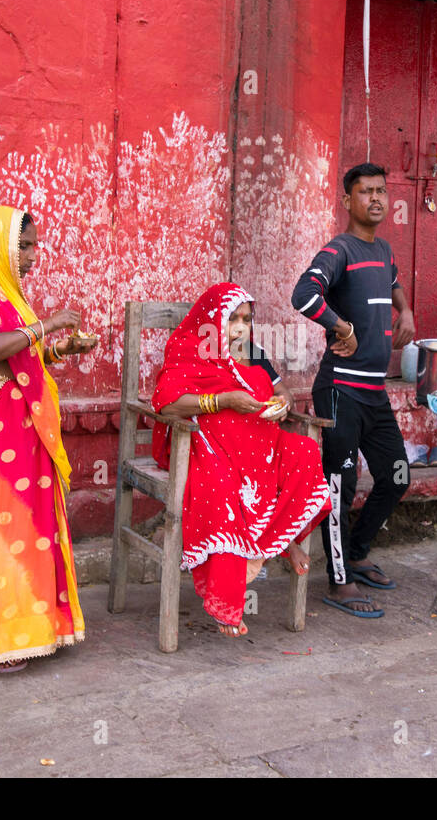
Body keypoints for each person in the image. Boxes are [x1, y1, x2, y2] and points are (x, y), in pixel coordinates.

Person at [0, 205, 98, 671]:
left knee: (27, 530)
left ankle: (30, 632)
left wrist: (59, 348)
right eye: (22, 246)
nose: (31, 255)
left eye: (32, 246)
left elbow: (21, 356)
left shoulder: (5, 292)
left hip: (21, 424)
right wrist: (46, 325)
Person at [151, 283, 329, 637]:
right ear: (213, 319)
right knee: (222, 487)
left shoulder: (253, 352)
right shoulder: (193, 351)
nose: (240, 328)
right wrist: (222, 401)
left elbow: (283, 392)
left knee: (306, 452)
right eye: (232, 319)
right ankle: (227, 598)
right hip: (212, 448)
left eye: (246, 319)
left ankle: (279, 541)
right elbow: (167, 404)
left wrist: (284, 404)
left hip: (261, 444)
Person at [291, 162, 415, 618]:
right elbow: (303, 294)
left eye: (382, 191)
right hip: (340, 388)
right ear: (348, 201)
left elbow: (394, 282)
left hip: (375, 392)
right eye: (365, 192)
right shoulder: (338, 249)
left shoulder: (381, 249)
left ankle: (358, 553)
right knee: (340, 487)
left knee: (396, 475)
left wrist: (407, 313)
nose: (376, 199)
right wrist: (340, 325)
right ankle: (338, 581)